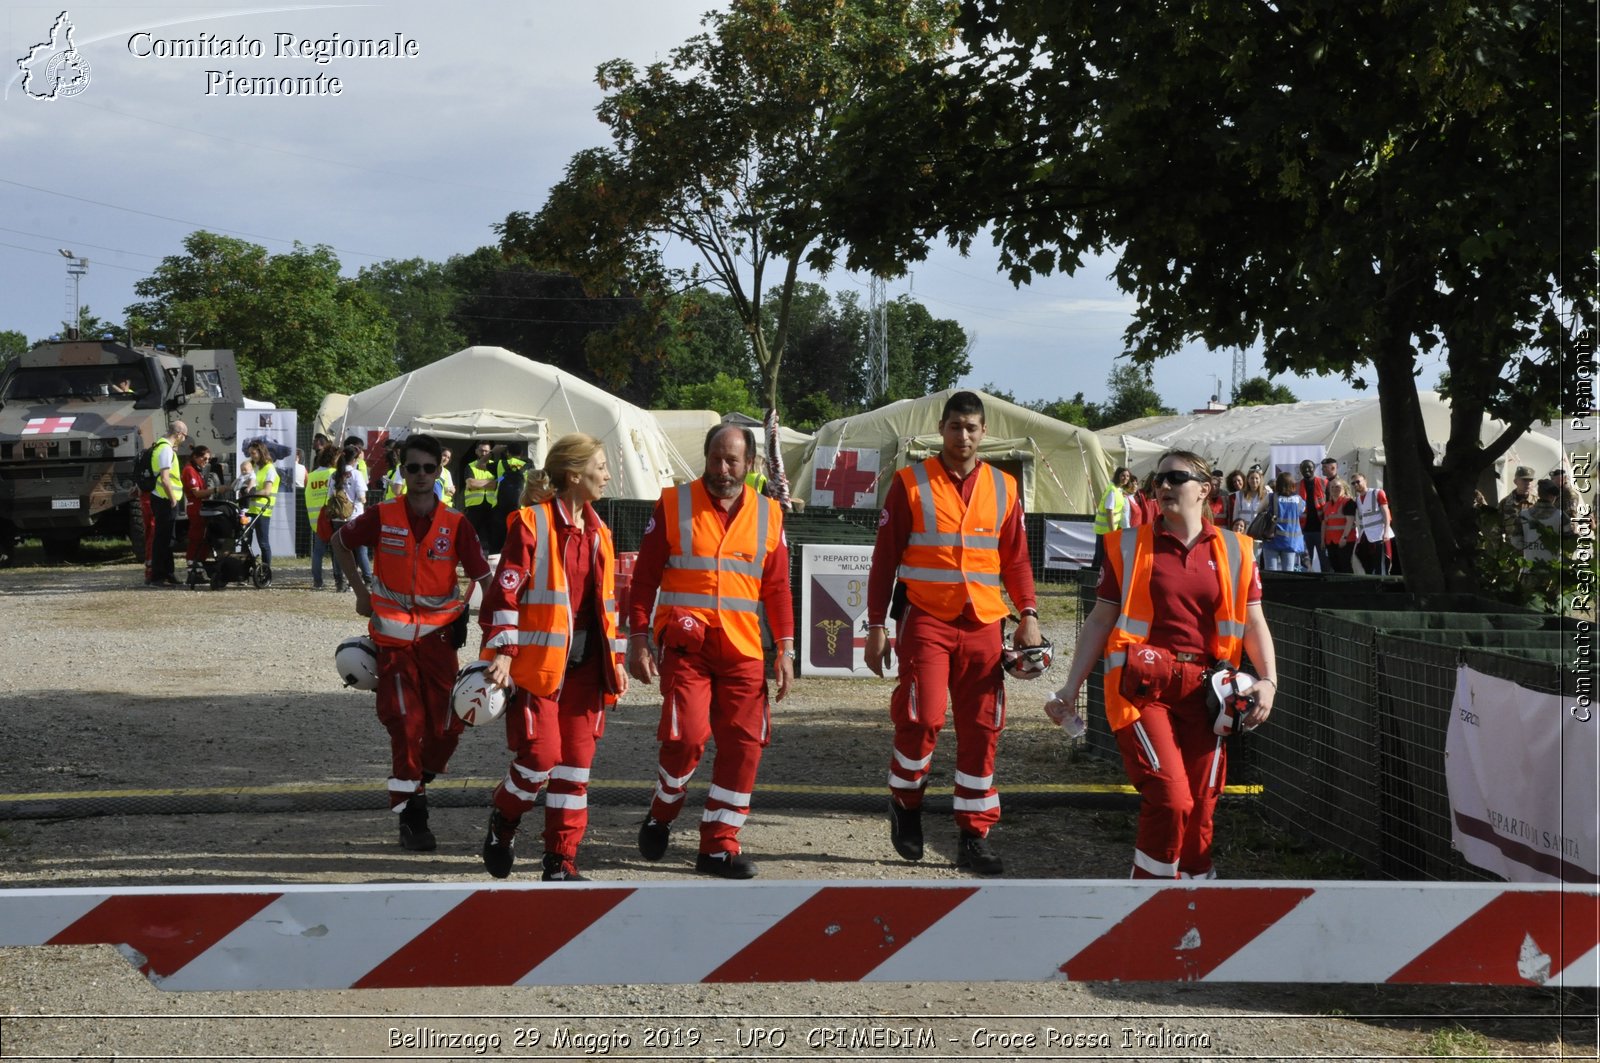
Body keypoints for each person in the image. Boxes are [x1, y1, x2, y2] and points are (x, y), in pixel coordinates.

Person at [1049, 449, 1277, 879]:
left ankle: (1194, 910)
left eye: (1176, 477)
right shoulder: (1129, 544)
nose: (1164, 486)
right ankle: (1149, 902)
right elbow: (1101, 618)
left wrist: (1269, 681)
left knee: (1202, 805)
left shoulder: (1238, 550)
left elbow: (1254, 621)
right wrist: (1070, 686)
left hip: (1210, 695)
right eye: (1158, 479)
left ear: (1205, 489)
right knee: (1172, 800)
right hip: (1143, 688)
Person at [864, 391, 1041, 877]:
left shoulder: (1005, 488)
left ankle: (974, 835)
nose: (963, 436)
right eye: (955, 427)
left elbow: (1017, 559)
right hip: (926, 618)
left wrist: (1028, 613)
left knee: (983, 729)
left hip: (984, 622)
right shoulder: (910, 483)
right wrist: (876, 626)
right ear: (941, 429)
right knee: (923, 719)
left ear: (984, 433)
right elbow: (884, 560)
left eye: (972, 428)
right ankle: (905, 802)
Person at [626, 424, 795, 880]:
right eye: (716, 458)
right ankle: (663, 809)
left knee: (744, 747)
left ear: (751, 464)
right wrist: (638, 638)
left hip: (743, 648)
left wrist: (785, 649)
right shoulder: (674, 504)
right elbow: (644, 578)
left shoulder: (769, 515)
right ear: (705, 457)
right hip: (688, 646)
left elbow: (777, 588)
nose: (723, 469)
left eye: (733, 460)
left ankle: (718, 844)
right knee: (688, 738)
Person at [479, 434, 629, 882]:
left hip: (586, 672)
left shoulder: (600, 531)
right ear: (574, 475)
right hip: (539, 670)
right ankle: (503, 823)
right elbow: (505, 590)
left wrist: (616, 661)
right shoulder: (531, 523)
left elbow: (606, 607)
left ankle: (560, 861)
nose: (607, 476)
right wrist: (504, 652)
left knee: (574, 770)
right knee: (540, 760)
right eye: (600, 467)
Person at [332, 433, 492, 851]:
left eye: (429, 468)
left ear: (440, 470)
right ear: (402, 472)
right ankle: (412, 814)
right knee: (405, 721)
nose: (421, 476)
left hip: (441, 641)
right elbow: (339, 543)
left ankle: (418, 779)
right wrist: (361, 593)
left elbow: (483, 578)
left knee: (450, 726)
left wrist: (506, 628)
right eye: (412, 468)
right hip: (393, 642)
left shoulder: (456, 523)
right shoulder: (381, 515)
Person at [146, 420, 187, 587]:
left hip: (163, 498)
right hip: (164, 499)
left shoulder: (161, 447)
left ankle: (168, 573)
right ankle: (157, 576)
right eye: (184, 435)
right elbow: (165, 478)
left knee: (167, 538)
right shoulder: (165, 450)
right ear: (178, 434)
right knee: (162, 539)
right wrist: (173, 499)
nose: (184, 439)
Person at [334, 443, 371, 587]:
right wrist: (364, 500)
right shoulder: (356, 474)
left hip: (338, 516)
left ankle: (340, 581)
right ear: (355, 459)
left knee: (340, 550)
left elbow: (331, 495)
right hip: (355, 516)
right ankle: (368, 579)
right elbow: (362, 497)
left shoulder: (334, 474)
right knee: (360, 549)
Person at [305, 445, 339, 590]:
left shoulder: (312, 475)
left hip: (315, 519)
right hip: (331, 517)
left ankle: (317, 581)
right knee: (337, 551)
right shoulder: (334, 473)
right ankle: (339, 581)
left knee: (318, 552)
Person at [242, 441, 280, 570]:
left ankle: (265, 571)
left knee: (263, 543)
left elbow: (267, 491)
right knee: (245, 541)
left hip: (262, 511)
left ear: (261, 452)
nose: (251, 456)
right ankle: (244, 571)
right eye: (250, 453)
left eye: (254, 453)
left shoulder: (270, 469)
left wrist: (251, 493)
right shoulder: (253, 467)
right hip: (249, 510)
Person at [181, 444, 219, 567]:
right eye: (204, 459)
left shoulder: (196, 470)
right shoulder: (190, 470)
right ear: (195, 457)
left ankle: (199, 564)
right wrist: (216, 490)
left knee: (204, 537)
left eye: (208, 459)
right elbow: (197, 493)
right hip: (195, 507)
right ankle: (193, 564)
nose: (206, 462)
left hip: (201, 507)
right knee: (196, 537)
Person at [1349, 472, 1393, 575]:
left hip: (1380, 533)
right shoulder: (1357, 500)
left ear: (1365, 481)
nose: (1356, 485)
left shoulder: (1377, 493)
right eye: (1353, 483)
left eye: (1358, 482)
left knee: (1381, 564)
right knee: (1367, 561)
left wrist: (1386, 531)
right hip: (1366, 535)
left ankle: (1383, 585)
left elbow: (1386, 513)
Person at [1262, 471, 1305, 572]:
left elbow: (1259, 510)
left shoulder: (1271, 497)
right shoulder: (1298, 500)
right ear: (1292, 484)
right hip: (1290, 542)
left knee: (1270, 572)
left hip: (1272, 539)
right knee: (1288, 572)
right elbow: (1301, 511)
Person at [1092, 466, 1135, 568]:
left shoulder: (1117, 489)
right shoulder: (1112, 490)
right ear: (1118, 476)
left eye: (1128, 476)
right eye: (1123, 476)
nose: (1126, 478)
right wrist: (1113, 532)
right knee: (1101, 557)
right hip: (1105, 531)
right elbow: (1109, 512)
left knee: (1100, 557)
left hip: (1107, 530)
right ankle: (1094, 581)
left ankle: (1093, 580)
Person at [1321, 477, 1359, 574]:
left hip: (1345, 540)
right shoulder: (1327, 505)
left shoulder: (1348, 502)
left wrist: (1344, 537)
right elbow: (1324, 523)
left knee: (1345, 565)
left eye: (1338, 487)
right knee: (1335, 565)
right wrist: (1322, 540)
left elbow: (1350, 521)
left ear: (1344, 488)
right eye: (1332, 487)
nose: (1334, 489)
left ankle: (1350, 586)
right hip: (1331, 541)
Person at [463, 441, 498, 542]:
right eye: (481, 451)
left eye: (487, 451)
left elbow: (498, 483)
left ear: (490, 452)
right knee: (472, 536)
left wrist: (478, 483)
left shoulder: (496, 465)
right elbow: (471, 483)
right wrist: (490, 483)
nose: (484, 453)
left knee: (492, 536)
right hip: (474, 506)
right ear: (476, 452)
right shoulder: (470, 466)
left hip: (492, 505)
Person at [1297, 460, 1327, 572]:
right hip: (1304, 530)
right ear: (1300, 470)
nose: (1306, 470)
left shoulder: (1324, 483)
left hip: (1321, 530)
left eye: (1309, 467)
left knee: (1325, 561)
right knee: (1305, 563)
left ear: (1314, 468)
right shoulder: (1297, 486)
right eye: (1304, 468)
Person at [1498, 466, 1537, 541]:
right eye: (1525, 480)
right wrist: (1500, 549)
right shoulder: (1505, 503)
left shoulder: (1537, 502)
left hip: (1531, 549)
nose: (1528, 483)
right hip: (1511, 549)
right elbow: (1496, 528)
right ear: (1515, 481)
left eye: (1530, 480)